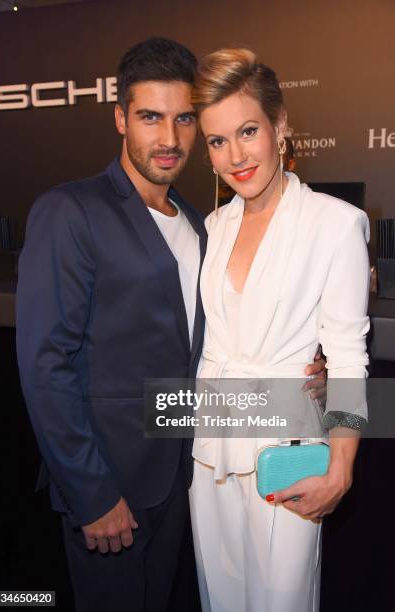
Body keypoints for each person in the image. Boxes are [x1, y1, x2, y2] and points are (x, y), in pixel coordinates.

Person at [16, 38, 326, 612]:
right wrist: (92, 495)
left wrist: (316, 374)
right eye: (150, 117)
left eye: (185, 119)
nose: (168, 138)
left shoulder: (200, 222)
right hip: (111, 488)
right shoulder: (72, 211)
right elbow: (44, 366)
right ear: (120, 119)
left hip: (188, 478)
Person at [189, 48, 370, 612]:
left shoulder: (335, 224)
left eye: (248, 131)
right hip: (208, 448)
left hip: (286, 447)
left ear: (281, 126)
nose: (236, 156)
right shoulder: (213, 226)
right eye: (218, 141)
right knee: (219, 597)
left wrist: (341, 468)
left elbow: (346, 359)